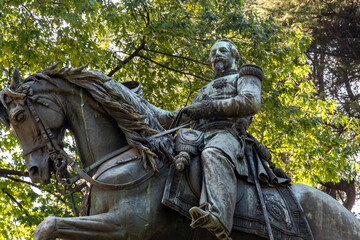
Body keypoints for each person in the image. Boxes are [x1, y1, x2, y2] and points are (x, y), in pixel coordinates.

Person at [181, 38, 280, 240]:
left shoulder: (245, 76)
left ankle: (219, 217)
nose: (216, 54)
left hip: (228, 134)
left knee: (213, 153)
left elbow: (250, 102)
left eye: (222, 51)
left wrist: (209, 108)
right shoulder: (202, 91)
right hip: (196, 137)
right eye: (213, 52)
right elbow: (174, 117)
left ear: (234, 55)